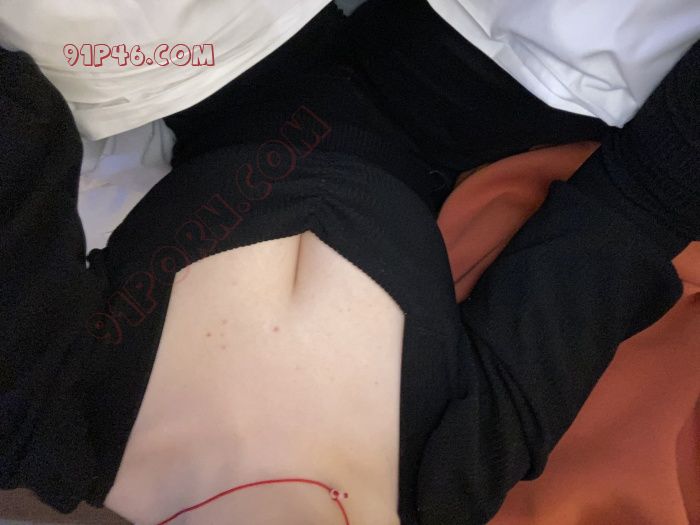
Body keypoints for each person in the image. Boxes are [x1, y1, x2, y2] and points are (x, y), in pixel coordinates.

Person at [1, 2, 698, 524]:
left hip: (210, 75)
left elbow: (16, 120)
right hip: (467, 92)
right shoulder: (450, 482)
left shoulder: (45, 420)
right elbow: (629, 214)